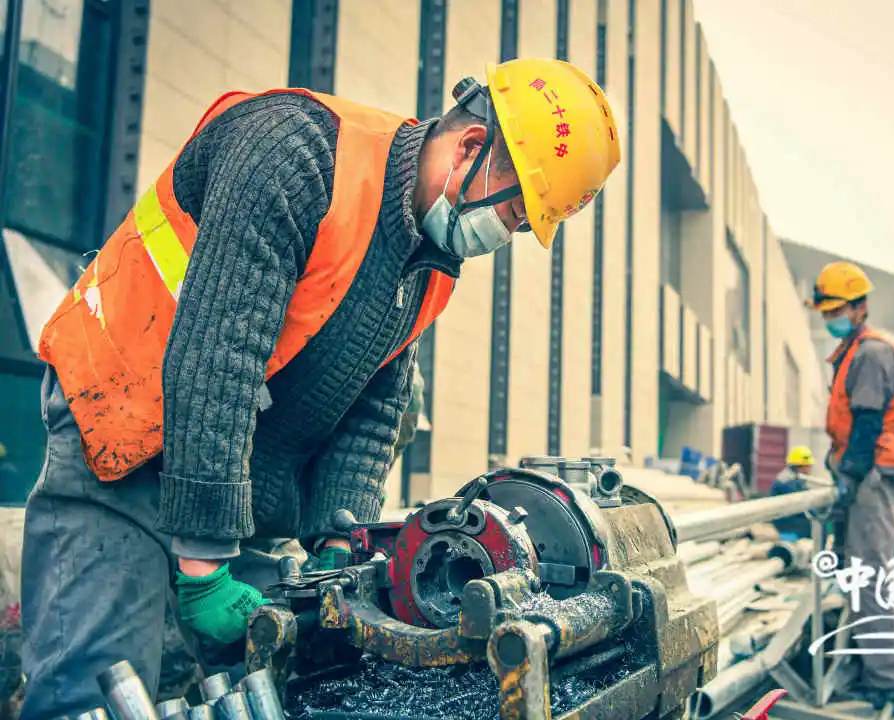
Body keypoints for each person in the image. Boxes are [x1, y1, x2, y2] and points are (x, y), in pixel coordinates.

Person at [21, 58, 620, 717]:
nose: (504, 234)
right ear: (471, 149)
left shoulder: (428, 263)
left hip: (232, 483)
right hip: (125, 434)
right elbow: (218, 359)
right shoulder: (295, 152)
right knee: (96, 685)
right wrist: (202, 571)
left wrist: (341, 541)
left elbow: (376, 407)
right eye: (512, 211)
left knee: (253, 689)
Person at [808, 261, 894, 709]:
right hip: (871, 472)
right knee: (856, 576)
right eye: (825, 312)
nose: (829, 319)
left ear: (859, 307)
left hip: (878, 474)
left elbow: (868, 423)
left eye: (836, 310)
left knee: (868, 578)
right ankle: (861, 666)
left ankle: (887, 678)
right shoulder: (855, 351)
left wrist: (849, 477)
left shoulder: (871, 354)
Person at [769, 445, 816, 539]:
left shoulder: (794, 478)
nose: (810, 469)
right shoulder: (787, 482)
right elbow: (803, 501)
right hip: (787, 526)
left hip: (790, 521)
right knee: (812, 526)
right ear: (800, 467)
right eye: (808, 466)